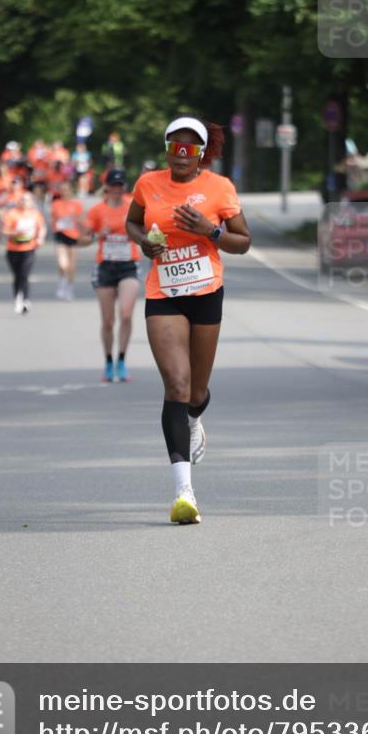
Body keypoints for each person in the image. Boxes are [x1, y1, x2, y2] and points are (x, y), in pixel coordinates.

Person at [125, 116, 251, 525]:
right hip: (163, 293)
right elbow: (132, 221)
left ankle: (195, 419)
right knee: (176, 385)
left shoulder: (219, 187)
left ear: (201, 152)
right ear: (167, 149)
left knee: (196, 391)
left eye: (190, 147)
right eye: (175, 147)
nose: (181, 154)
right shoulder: (148, 183)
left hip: (206, 293)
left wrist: (210, 231)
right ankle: (184, 492)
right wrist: (144, 243)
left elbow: (243, 242)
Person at [80, 168, 141, 382]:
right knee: (108, 320)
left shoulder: (132, 207)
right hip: (105, 266)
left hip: (128, 265)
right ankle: (108, 361)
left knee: (126, 314)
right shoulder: (97, 210)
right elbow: (81, 240)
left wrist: (140, 235)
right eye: (113, 185)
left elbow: (146, 229)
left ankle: (121, 360)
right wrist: (98, 235)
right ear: (106, 187)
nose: (116, 189)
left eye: (120, 185)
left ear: (125, 187)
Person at [0, 192, 46, 314]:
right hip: (13, 249)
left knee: (25, 274)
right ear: (19, 201)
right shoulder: (12, 214)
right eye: (22, 200)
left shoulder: (35, 214)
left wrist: (40, 238)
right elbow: (4, 230)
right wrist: (15, 232)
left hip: (29, 248)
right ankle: (17, 297)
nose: (24, 202)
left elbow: (42, 228)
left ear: (32, 202)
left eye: (27, 200)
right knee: (17, 275)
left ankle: (25, 299)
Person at [51, 180, 84, 300]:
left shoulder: (76, 204)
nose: (64, 192)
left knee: (72, 266)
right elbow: (53, 219)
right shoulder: (56, 204)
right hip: (61, 235)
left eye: (66, 189)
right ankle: (62, 283)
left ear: (71, 190)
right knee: (62, 264)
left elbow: (81, 220)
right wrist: (57, 227)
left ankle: (69, 288)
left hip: (74, 236)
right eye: (62, 190)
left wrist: (81, 230)